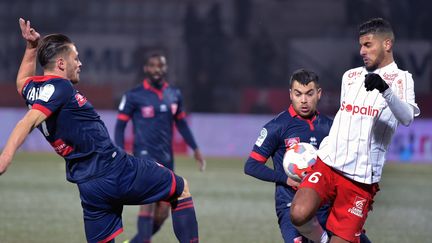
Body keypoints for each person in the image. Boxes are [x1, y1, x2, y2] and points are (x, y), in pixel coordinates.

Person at [0, 18, 199, 243]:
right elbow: (26, 122)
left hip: (90, 186)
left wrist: (31, 47)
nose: (80, 63)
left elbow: (22, 81)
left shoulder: (34, 89)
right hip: (116, 170)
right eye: (76, 58)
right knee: (180, 188)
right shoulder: (61, 88)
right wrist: (5, 158)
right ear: (62, 64)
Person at [290, 18, 420, 243]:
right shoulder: (350, 76)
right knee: (298, 214)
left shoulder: (402, 79)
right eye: (361, 45)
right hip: (329, 164)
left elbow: (407, 117)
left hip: (360, 180)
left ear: (387, 44)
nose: (362, 51)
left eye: (368, 45)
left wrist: (385, 90)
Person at [114, 53, 205, 243]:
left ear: (165, 68)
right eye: (153, 66)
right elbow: (120, 125)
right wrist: (120, 151)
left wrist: (195, 148)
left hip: (166, 156)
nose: (157, 69)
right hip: (144, 155)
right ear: (146, 69)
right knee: (148, 203)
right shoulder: (134, 95)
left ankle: (137, 241)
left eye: (161, 66)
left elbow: (181, 123)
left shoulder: (174, 94)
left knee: (163, 211)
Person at [244, 69, 333, 242]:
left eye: (309, 94)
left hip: (324, 206)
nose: (304, 100)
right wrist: (286, 179)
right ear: (290, 94)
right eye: (298, 94)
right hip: (290, 205)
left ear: (319, 94)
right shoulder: (277, 127)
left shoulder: (331, 127)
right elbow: (251, 166)